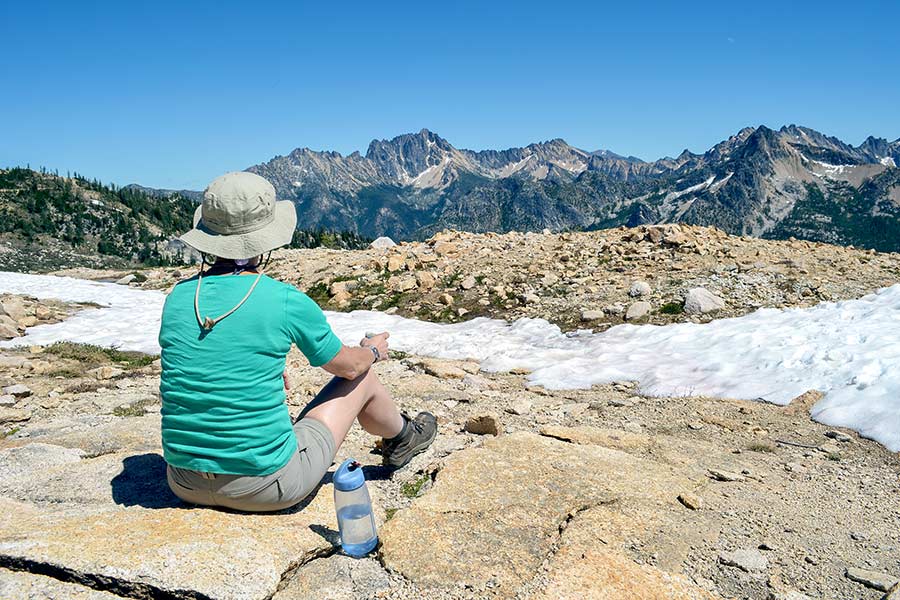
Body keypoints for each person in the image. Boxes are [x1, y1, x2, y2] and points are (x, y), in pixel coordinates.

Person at [159, 171, 437, 512]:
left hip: (183, 482)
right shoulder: (283, 299)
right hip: (265, 487)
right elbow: (347, 367)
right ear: (265, 239)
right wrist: (372, 352)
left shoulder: (178, 298)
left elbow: (198, 369)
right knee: (363, 377)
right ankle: (405, 437)